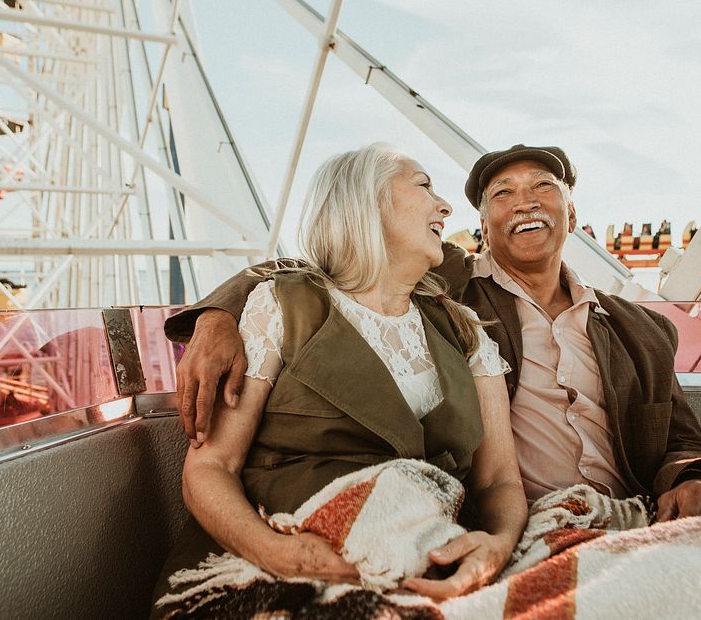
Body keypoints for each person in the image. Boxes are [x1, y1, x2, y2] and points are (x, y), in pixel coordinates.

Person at [166, 143, 701, 522]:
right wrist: (217, 317)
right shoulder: (449, 288)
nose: (524, 202)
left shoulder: (643, 329)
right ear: (481, 225)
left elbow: (683, 439)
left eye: (543, 188)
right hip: (526, 518)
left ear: (572, 216)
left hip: (634, 511)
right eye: (502, 194)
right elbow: (320, 266)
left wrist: (696, 477)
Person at [153, 144, 528, 612]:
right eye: (424, 185)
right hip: (278, 555)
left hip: (427, 554)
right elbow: (210, 467)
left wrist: (496, 545)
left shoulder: (465, 331)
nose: (446, 206)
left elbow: (498, 481)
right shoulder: (282, 307)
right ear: (365, 201)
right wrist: (275, 553)